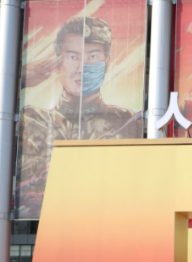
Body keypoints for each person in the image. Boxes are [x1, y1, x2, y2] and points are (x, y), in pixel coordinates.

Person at [16, 16, 141, 218]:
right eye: (73, 57)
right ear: (57, 63)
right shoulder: (31, 120)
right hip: (40, 227)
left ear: (107, 62)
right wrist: (17, 80)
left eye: (93, 56)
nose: (82, 69)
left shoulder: (129, 123)